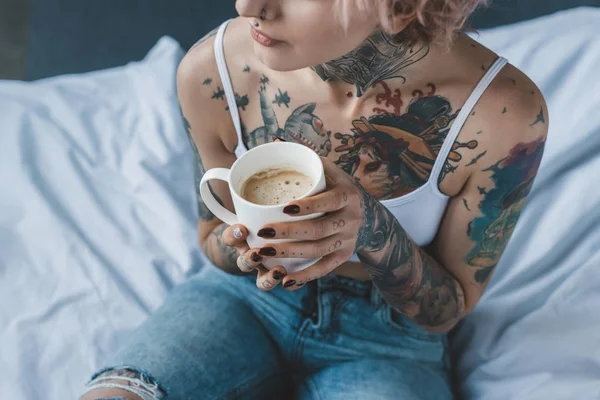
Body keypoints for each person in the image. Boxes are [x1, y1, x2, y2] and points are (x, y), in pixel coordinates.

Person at [81, 0, 548, 398]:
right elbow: (211, 241)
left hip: (387, 338)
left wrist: (370, 226)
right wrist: (252, 246)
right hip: (243, 301)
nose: (248, 7)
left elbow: (447, 310)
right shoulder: (211, 72)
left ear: (401, 6)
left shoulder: (504, 116)